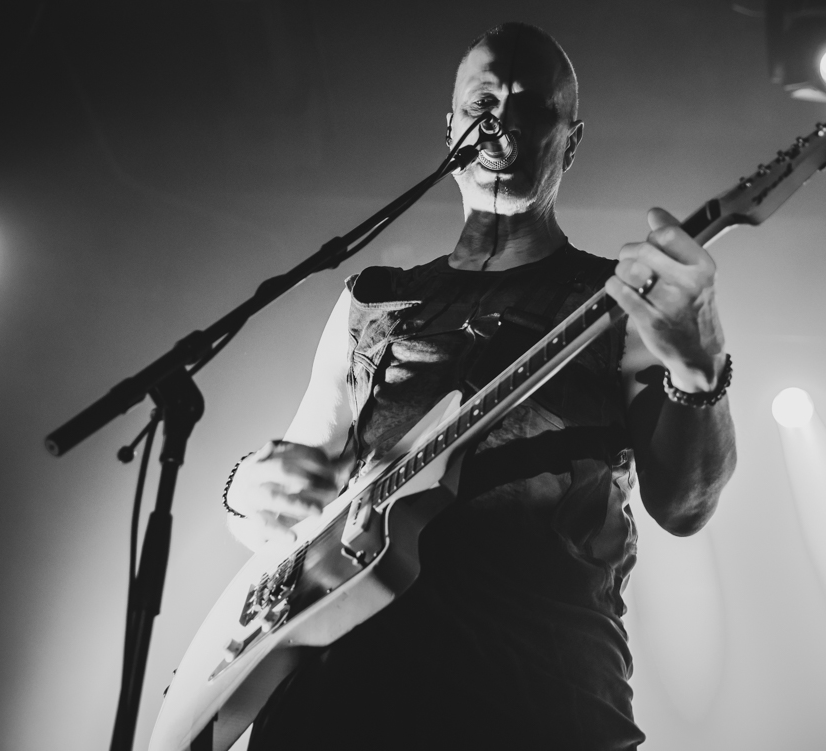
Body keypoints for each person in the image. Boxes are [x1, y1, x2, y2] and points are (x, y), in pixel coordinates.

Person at [224, 21, 736, 750]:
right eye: (484, 101)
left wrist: (700, 368)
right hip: (338, 698)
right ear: (452, 128)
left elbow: (685, 506)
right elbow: (289, 502)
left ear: (570, 141)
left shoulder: (621, 301)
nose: (503, 119)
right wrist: (250, 489)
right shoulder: (372, 299)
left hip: (538, 698)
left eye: (533, 106)